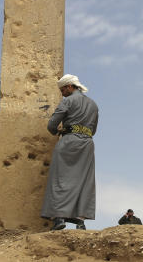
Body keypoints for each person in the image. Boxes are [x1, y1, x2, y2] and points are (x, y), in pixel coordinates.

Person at [41, 74, 98, 231]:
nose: (62, 93)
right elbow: (94, 129)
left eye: (63, 89)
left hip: (69, 141)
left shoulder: (68, 101)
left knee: (60, 179)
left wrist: (59, 130)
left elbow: (52, 125)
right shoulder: (93, 104)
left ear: (70, 86)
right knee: (83, 181)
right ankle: (80, 220)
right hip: (87, 143)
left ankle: (59, 218)